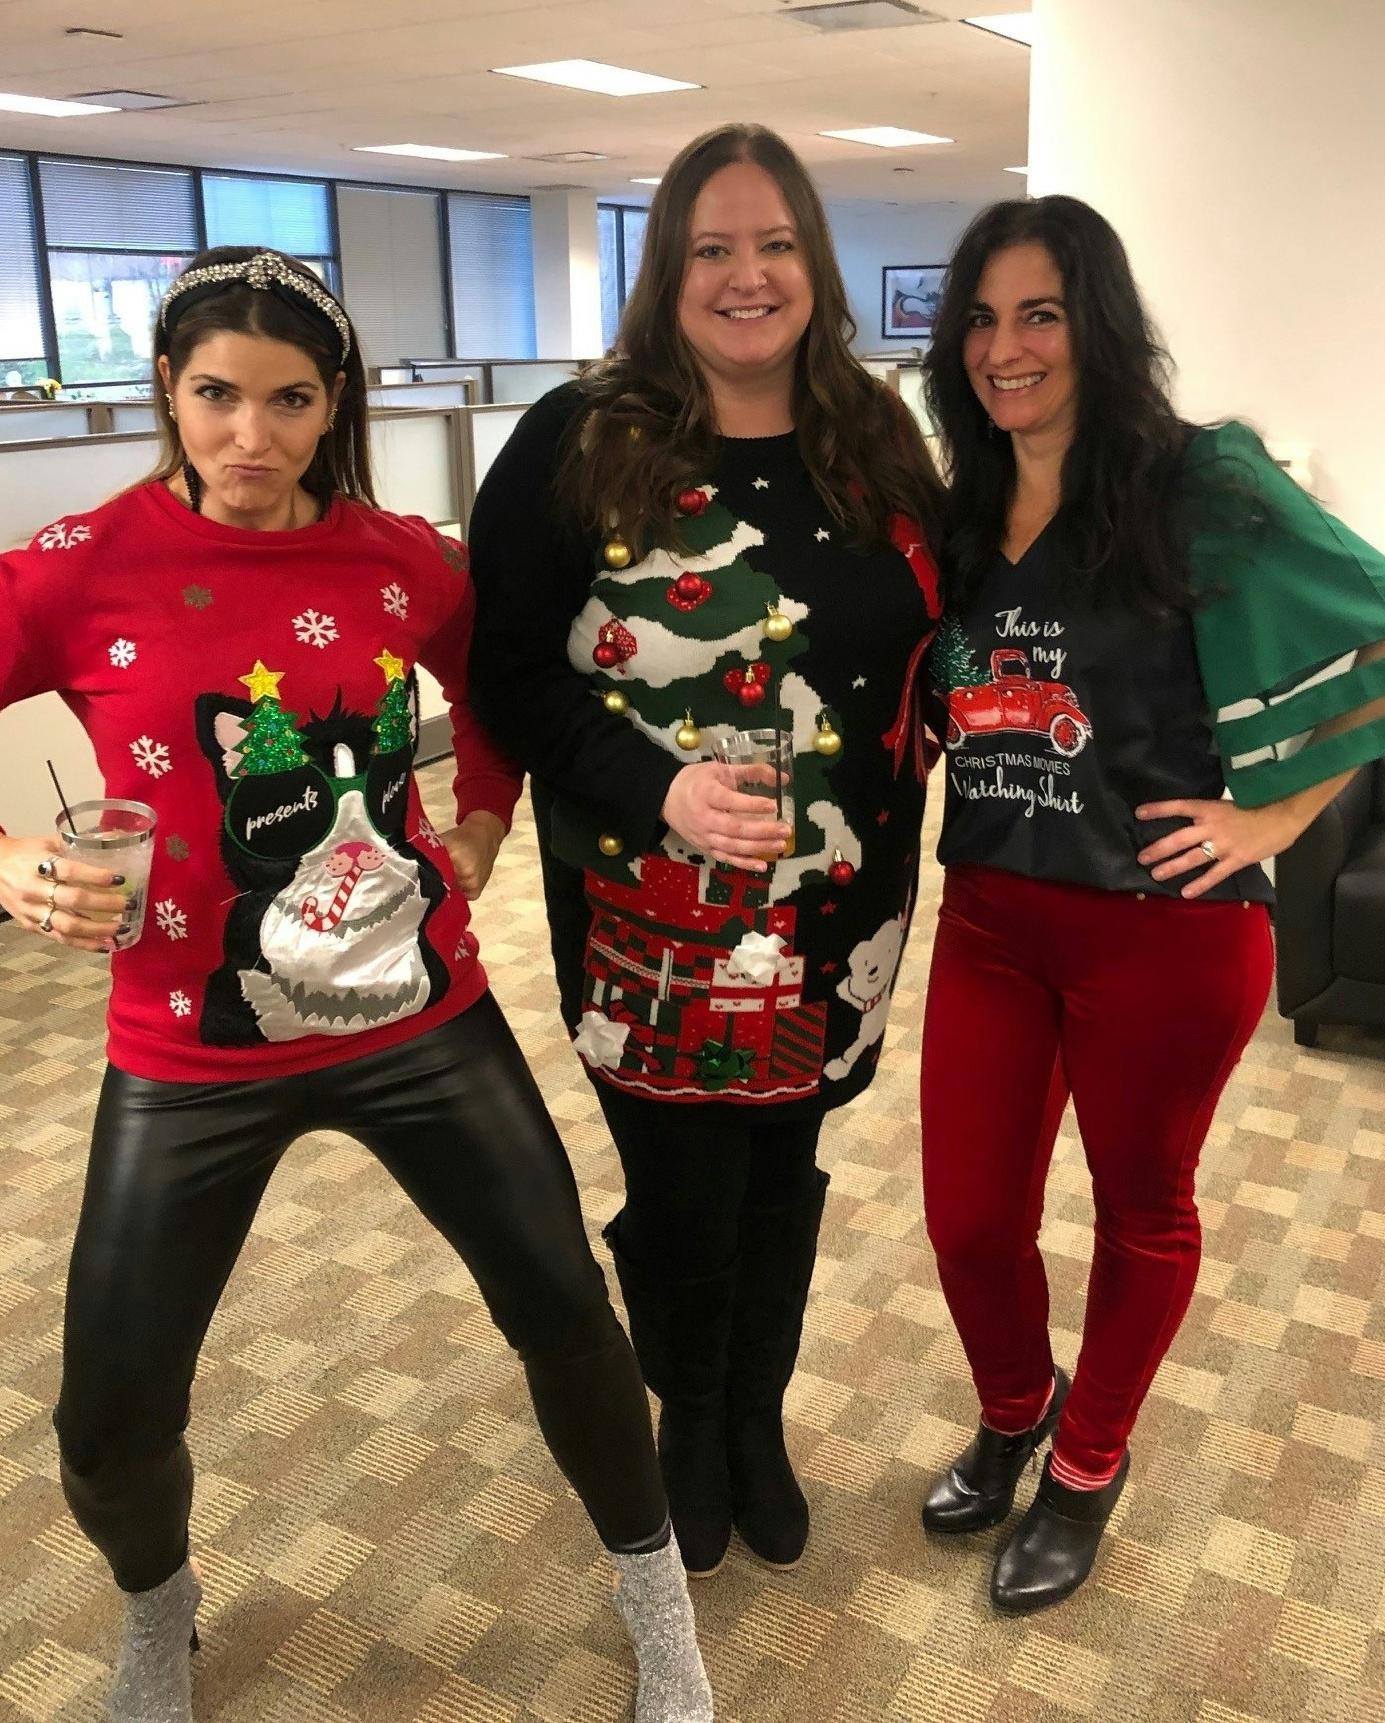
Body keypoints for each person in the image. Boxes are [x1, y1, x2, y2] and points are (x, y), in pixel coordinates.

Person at [0, 247, 714, 1723]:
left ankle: (653, 1583)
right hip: (188, 1047)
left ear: (332, 402)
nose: (250, 438)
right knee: (107, 1415)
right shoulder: (75, 566)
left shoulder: (395, 555)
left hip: (420, 1012)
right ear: (168, 387)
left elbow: (497, 678)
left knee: (561, 1304)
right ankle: (162, 1612)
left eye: (288, 402)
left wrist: (479, 814)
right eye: (216, 395)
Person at [916, 195, 1385, 1614]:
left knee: (1142, 1208)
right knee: (968, 1220)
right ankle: (1015, 1408)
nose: (1005, 348)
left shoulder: (1199, 482)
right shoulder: (962, 501)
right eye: (982, 318)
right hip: (994, 919)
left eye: (1040, 315)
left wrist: (1272, 815)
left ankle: (1087, 1462)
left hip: (1166, 928)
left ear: (1098, 326)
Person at [467, 125, 946, 1579]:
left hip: (840, 904)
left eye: (776, 244)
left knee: (786, 1162)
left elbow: (937, 639)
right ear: (666, 271)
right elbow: (509, 672)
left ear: (817, 260)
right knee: (683, 1180)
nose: (748, 276)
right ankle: (687, 1417)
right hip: (646, 908)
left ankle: (756, 1414)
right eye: (712, 249)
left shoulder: (876, 434)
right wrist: (658, 789)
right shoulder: (582, 436)